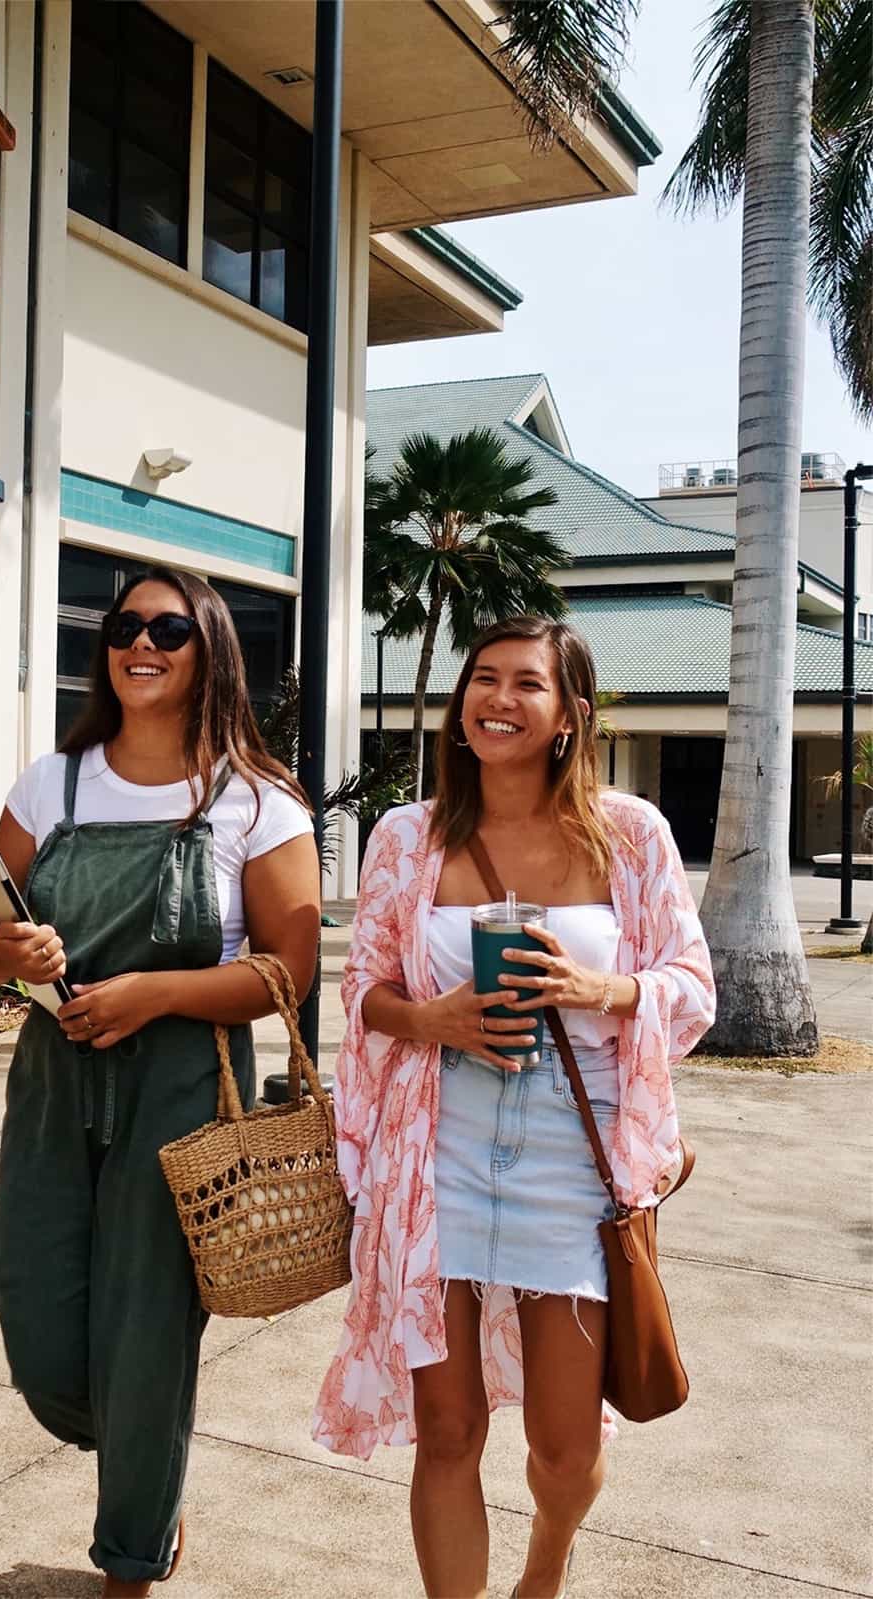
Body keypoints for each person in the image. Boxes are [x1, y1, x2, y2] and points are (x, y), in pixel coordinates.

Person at [313, 615, 715, 1599]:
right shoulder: (406, 837)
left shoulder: (629, 834)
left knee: (565, 1447)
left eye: (526, 683)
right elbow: (361, 987)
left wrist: (600, 991)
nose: (498, 699)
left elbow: (691, 986)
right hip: (434, 1149)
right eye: (482, 679)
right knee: (446, 1430)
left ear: (570, 713)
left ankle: (545, 1561)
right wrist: (430, 1018)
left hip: (566, 1158)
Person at [0, 565, 320, 1597]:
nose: (142, 643)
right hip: (51, 1084)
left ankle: (132, 1552)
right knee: (27, 1295)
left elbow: (285, 977)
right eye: (125, 626)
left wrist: (152, 995)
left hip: (179, 1089)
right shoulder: (52, 784)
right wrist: (9, 956)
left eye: (169, 627)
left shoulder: (255, 801)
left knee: (149, 1332)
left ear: (210, 649)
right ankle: (132, 1444)